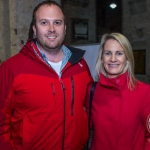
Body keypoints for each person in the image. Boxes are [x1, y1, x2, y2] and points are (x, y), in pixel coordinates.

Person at [0, 1, 93, 149]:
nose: (51, 29)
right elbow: (2, 122)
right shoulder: (12, 68)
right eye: (44, 22)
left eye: (57, 22)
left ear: (65, 28)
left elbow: (90, 109)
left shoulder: (80, 65)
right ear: (34, 29)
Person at [86, 33, 150, 150]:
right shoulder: (93, 91)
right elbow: (84, 127)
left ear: (127, 58)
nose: (113, 59)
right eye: (108, 53)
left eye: (119, 53)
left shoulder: (144, 92)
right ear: (102, 57)